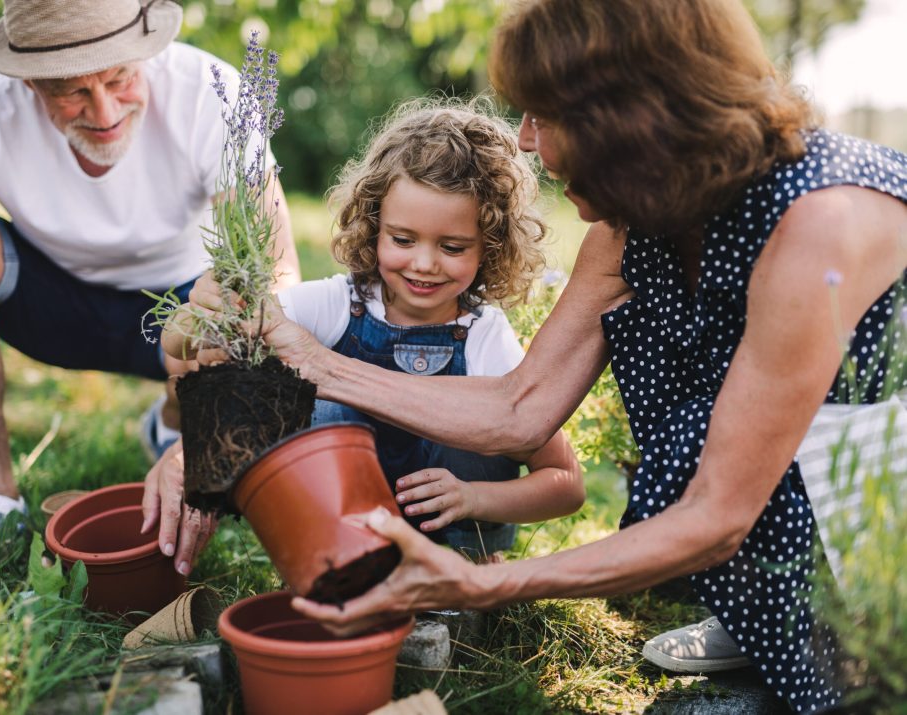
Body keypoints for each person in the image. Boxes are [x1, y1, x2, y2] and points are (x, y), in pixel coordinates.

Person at [186, 1, 905, 712]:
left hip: (878, 505)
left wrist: (483, 582)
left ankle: (844, 637)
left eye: (544, 115)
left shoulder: (819, 228)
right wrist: (306, 362)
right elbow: (522, 407)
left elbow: (719, 512)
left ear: (630, 117)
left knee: (863, 683)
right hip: (784, 484)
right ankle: (766, 625)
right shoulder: (634, 227)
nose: (526, 142)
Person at [153, 100, 585, 571]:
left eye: (452, 247)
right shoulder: (337, 304)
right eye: (402, 240)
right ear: (374, 227)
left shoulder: (484, 337)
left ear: (491, 247)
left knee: (482, 417)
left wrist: (475, 497)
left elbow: (566, 482)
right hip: (343, 528)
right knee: (318, 403)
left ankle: (469, 561)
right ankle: (334, 556)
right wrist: (201, 312)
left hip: (453, 537)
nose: (423, 263)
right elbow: (181, 346)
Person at [0, 0, 300, 540]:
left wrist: (199, 440)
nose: (104, 113)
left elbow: (279, 275)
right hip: (47, 300)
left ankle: (171, 426)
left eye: (120, 78)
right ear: (29, 82)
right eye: (72, 92)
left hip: (179, 307)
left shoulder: (207, 90)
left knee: (238, 303)